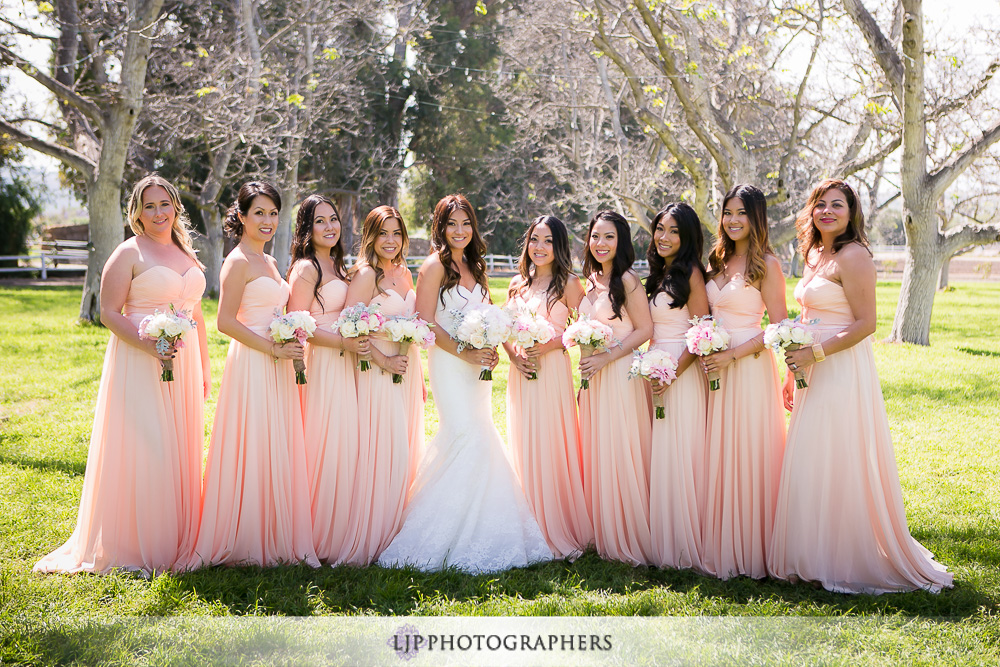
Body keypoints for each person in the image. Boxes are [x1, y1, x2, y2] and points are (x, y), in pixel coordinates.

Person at [768, 179, 953, 594]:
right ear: (811, 211)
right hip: (808, 365)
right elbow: (805, 312)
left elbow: (866, 324)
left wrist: (815, 355)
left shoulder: (854, 256)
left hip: (839, 366)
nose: (828, 211)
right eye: (821, 204)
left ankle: (844, 554)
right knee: (812, 455)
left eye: (838, 205)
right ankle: (811, 552)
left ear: (852, 214)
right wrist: (790, 371)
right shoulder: (815, 253)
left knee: (837, 453)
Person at [34, 174, 209, 574]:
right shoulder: (128, 253)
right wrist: (149, 344)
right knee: (147, 445)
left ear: (176, 207)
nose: (159, 212)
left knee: (178, 447)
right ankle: (137, 542)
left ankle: (176, 534)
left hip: (181, 363)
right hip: (138, 358)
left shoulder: (186, 253)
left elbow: (195, 312)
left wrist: (203, 367)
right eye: (149, 206)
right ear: (137, 213)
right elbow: (109, 313)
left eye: (164, 204)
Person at [377, 194, 552, 573]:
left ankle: (486, 527)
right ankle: (436, 533)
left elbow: (488, 314)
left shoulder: (476, 265)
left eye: (466, 223)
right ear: (441, 227)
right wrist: (465, 350)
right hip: (450, 365)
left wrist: (491, 346)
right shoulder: (433, 267)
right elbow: (424, 322)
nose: (460, 231)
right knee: (462, 435)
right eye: (452, 224)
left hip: (478, 368)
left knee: (482, 433)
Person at [187, 181, 318, 568]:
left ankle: (275, 531)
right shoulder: (238, 261)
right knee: (253, 441)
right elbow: (225, 322)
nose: (267, 220)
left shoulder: (272, 262)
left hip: (278, 364)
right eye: (258, 212)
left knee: (275, 441)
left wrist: (290, 338)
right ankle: (245, 537)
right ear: (241, 217)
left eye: (273, 213)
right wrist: (273, 348)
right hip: (253, 362)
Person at [699, 184, 787, 580]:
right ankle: (718, 536)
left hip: (748, 365)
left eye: (742, 213)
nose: (733, 220)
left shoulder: (766, 263)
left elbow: (780, 327)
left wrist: (733, 353)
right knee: (717, 448)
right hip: (713, 367)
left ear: (756, 219)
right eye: (728, 212)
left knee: (748, 448)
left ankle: (752, 543)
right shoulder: (715, 261)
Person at [504, 215, 593, 560]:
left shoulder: (570, 284)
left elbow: (585, 332)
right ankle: (528, 522)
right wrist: (514, 356)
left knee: (552, 441)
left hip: (553, 369)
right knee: (525, 440)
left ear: (559, 247)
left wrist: (552, 344)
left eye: (548, 241)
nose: (540, 248)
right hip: (522, 372)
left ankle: (556, 522)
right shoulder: (516, 285)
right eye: (534, 240)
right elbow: (506, 332)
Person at [341, 205, 424, 565]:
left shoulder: (406, 272)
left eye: (396, 233)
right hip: (377, 369)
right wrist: (385, 359)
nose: (390, 241)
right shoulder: (364, 275)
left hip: (406, 368)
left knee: (405, 447)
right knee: (383, 448)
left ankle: (398, 527)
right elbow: (351, 327)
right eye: (382, 233)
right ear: (370, 237)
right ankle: (374, 533)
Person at [287, 194, 367, 564]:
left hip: (346, 361)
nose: (330, 226)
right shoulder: (306, 269)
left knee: (346, 443)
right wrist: (343, 342)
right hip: (323, 362)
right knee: (324, 442)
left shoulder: (337, 264)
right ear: (307, 227)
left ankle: (343, 523)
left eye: (333, 219)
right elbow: (299, 324)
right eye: (320, 221)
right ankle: (319, 531)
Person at [578, 210, 654, 566]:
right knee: (599, 449)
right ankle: (603, 527)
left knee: (621, 449)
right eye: (595, 236)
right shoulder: (591, 280)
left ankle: (627, 532)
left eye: (609, 237)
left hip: (620, 372)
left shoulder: (628, 280)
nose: (601, 243)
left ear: (621, 241)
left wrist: (607, 357)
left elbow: (644, 330)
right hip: (593, 376)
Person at [644, 202, 710, 572]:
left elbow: (701, 331)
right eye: (660, 229)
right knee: (662, 452)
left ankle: (685, 544)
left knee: (682, 450)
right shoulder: (657, 275)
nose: (664, 237)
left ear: (686, 239)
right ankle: (663, 536)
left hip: (681, 372)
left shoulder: (692, 274)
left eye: (673, 232)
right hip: (656, 366)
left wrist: (672, 373)